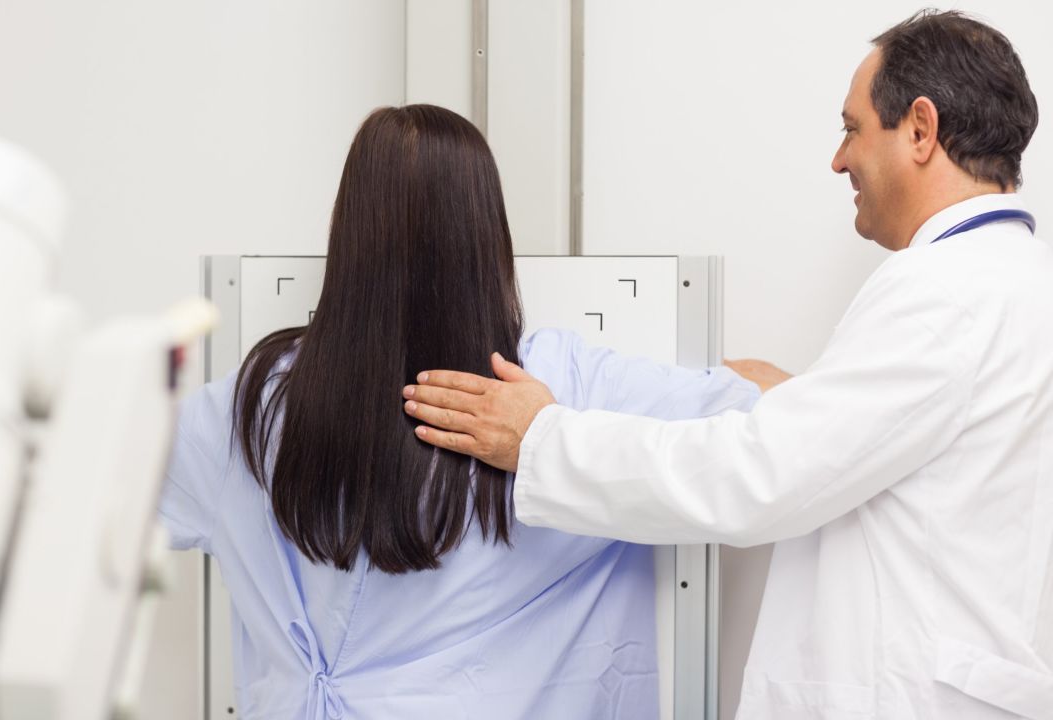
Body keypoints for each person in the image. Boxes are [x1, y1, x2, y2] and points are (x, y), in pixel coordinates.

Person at [402, 10, 1052, 719]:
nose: (839, 160)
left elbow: (759, 476)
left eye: (852, 128)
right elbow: (928, 453)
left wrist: (542, 440)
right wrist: (812, 399)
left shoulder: (944, 291)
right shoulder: (1009, 281)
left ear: (921, 131)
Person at [159, 104, 758, 719]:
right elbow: (766, 416)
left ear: (348, 234)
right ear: (485, 235)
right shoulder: (559, 385)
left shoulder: (254, 409)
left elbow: (103, 489)